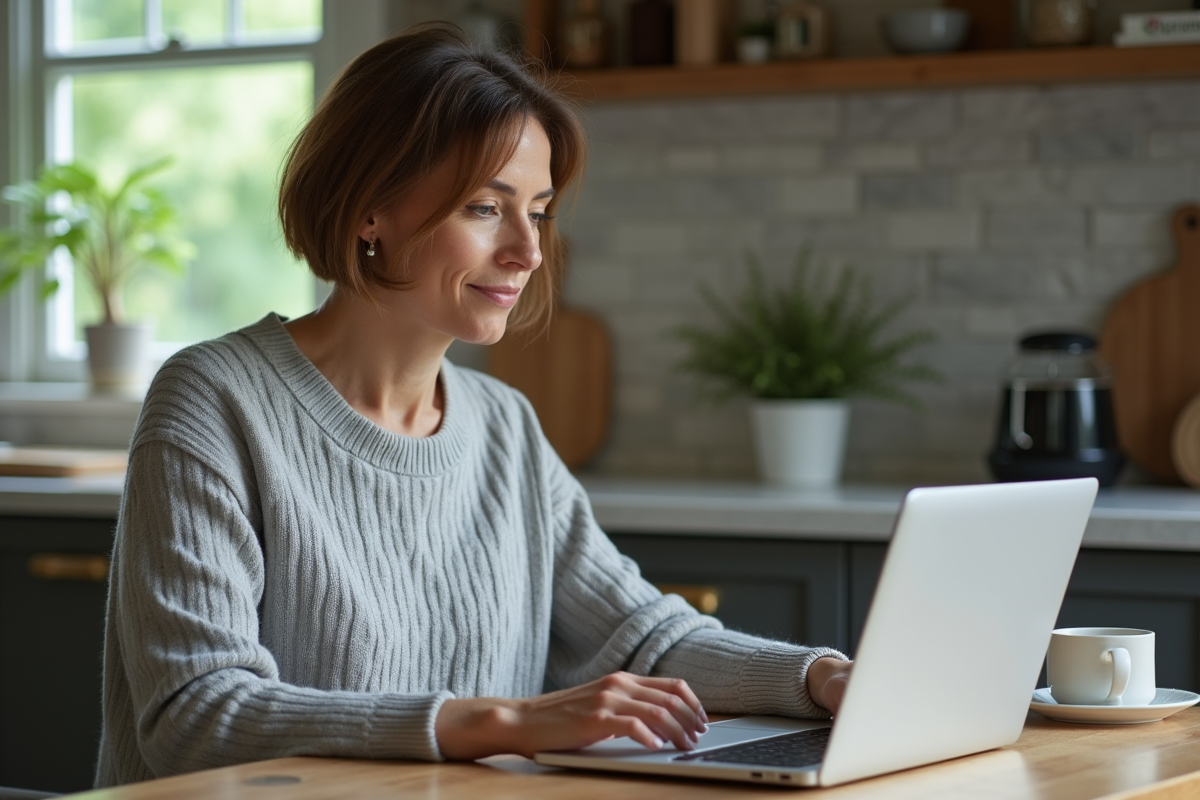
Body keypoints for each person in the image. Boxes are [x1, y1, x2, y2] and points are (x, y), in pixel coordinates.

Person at [95, 23, 852, 787]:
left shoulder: (502, 425)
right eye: (486, 208)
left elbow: (640, 637)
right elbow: (193, 714)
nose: (528, 250)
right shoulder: (216, 401)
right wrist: (499, 721)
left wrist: (819, 677)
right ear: (370, 209)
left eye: (540, 210)